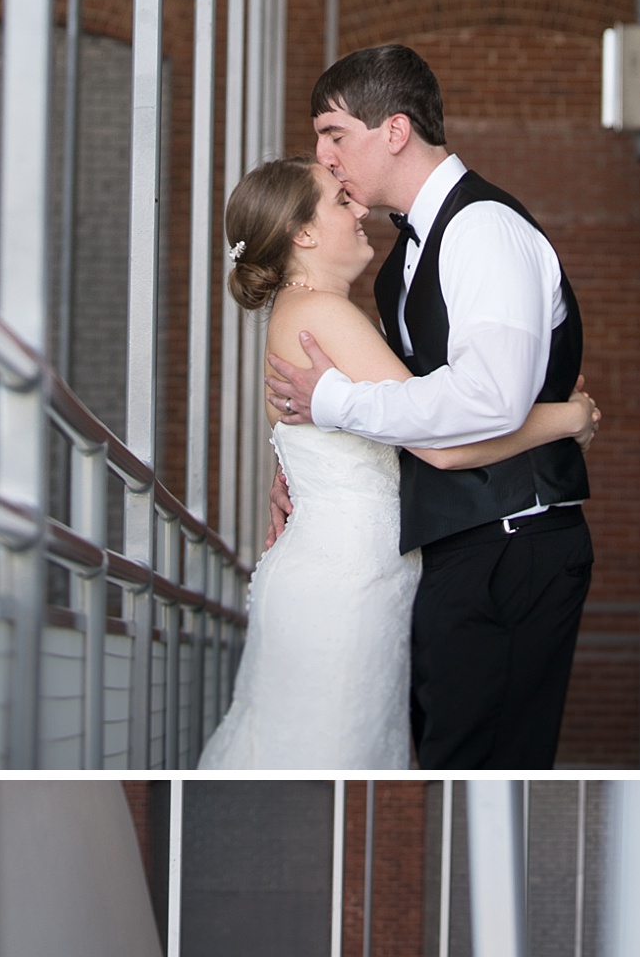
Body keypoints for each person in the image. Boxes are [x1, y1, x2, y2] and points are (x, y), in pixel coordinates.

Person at [198, 156, 598, 768]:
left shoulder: (305, 314)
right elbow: (440, 435)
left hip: (346, 574)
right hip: (348, 584)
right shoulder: (324, 316)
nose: (360, 210)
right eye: (338, 201)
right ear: (303, 234)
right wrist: (568, 418)